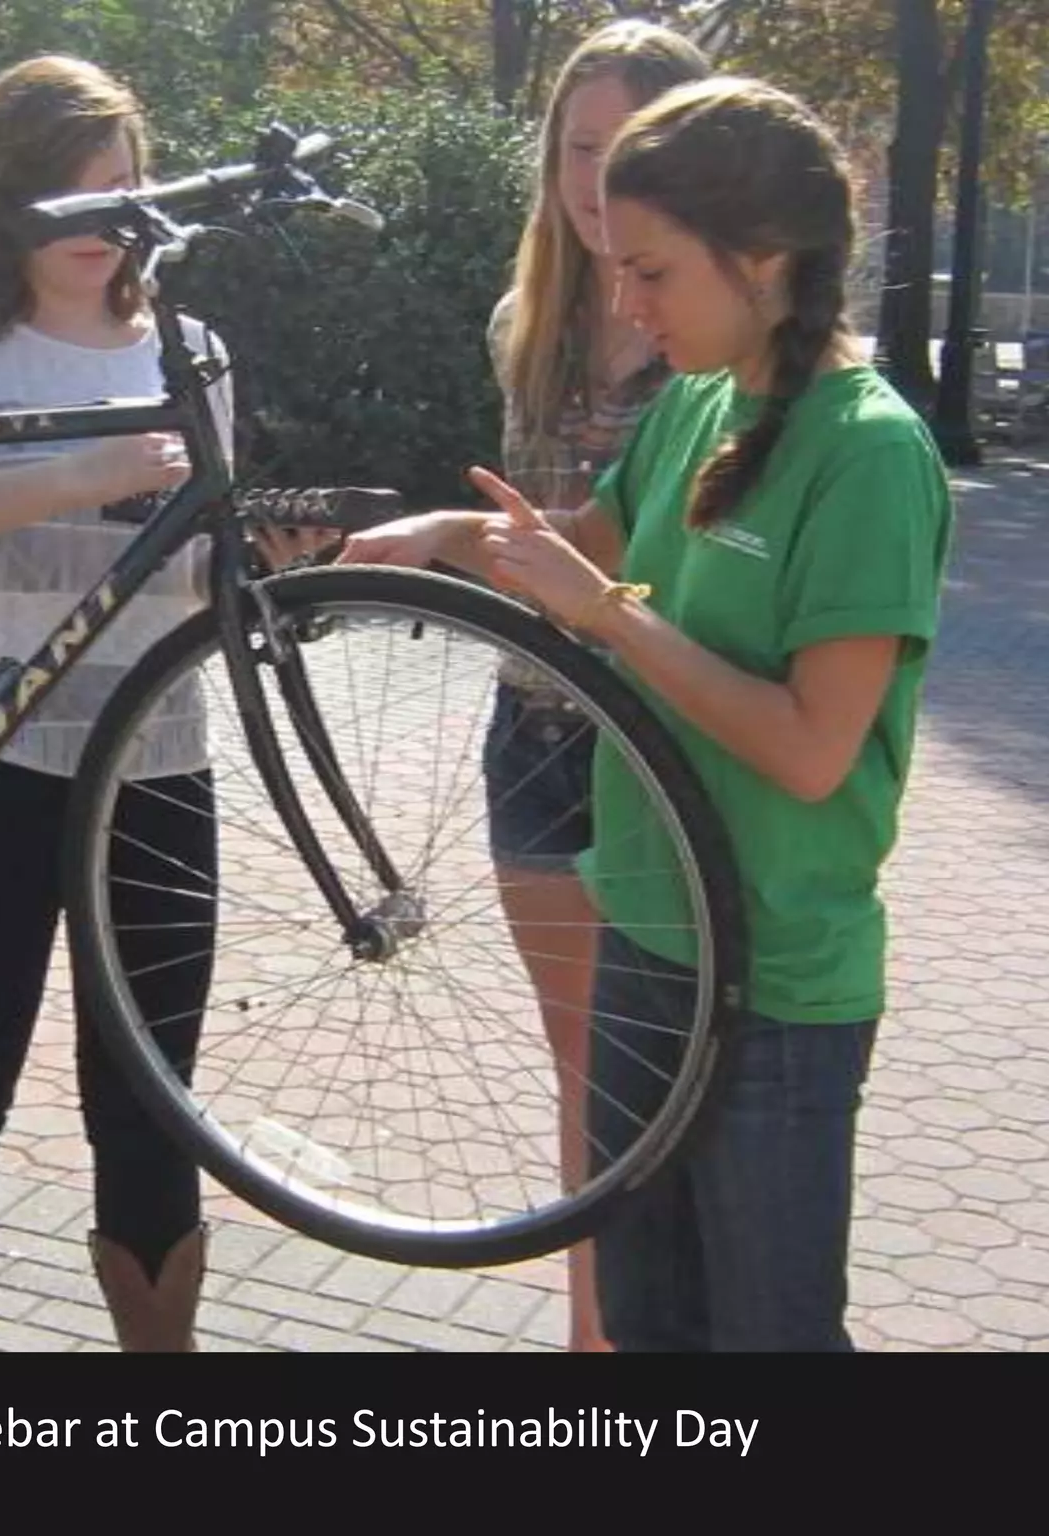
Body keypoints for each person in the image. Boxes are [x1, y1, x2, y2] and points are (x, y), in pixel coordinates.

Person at [346, 76, 953, 1350]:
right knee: (647, 1322)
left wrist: (609, 613)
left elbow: (806, 749)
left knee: (768, 1337)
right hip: (646, 935)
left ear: (765, 259)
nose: (624, 304)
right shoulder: (694, 403)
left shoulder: (867, 452)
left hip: (775, 982)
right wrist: (445, 536)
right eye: (617, 269)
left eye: (653, 273)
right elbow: (584, 549)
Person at [0, 55, 314, 1352]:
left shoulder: (186, 352)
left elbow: (194, 570)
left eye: (129, 193)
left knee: (150, 1105)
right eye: (78, 194)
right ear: (6, 198)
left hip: (153, 775)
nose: (111, 224)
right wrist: (75, 472)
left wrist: (266, 557)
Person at [341, 18, 710, 1352]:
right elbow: (536, 537)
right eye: (577, 149)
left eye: (627, 151)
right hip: (540, 727)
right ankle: (592, 1351)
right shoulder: (528, 318)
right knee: (588, 1076)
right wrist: (442, 538)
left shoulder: (723, 339)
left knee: (675, 1083)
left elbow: (637, 552)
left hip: (672, 735)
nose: (597, 184)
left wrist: (458, 537)